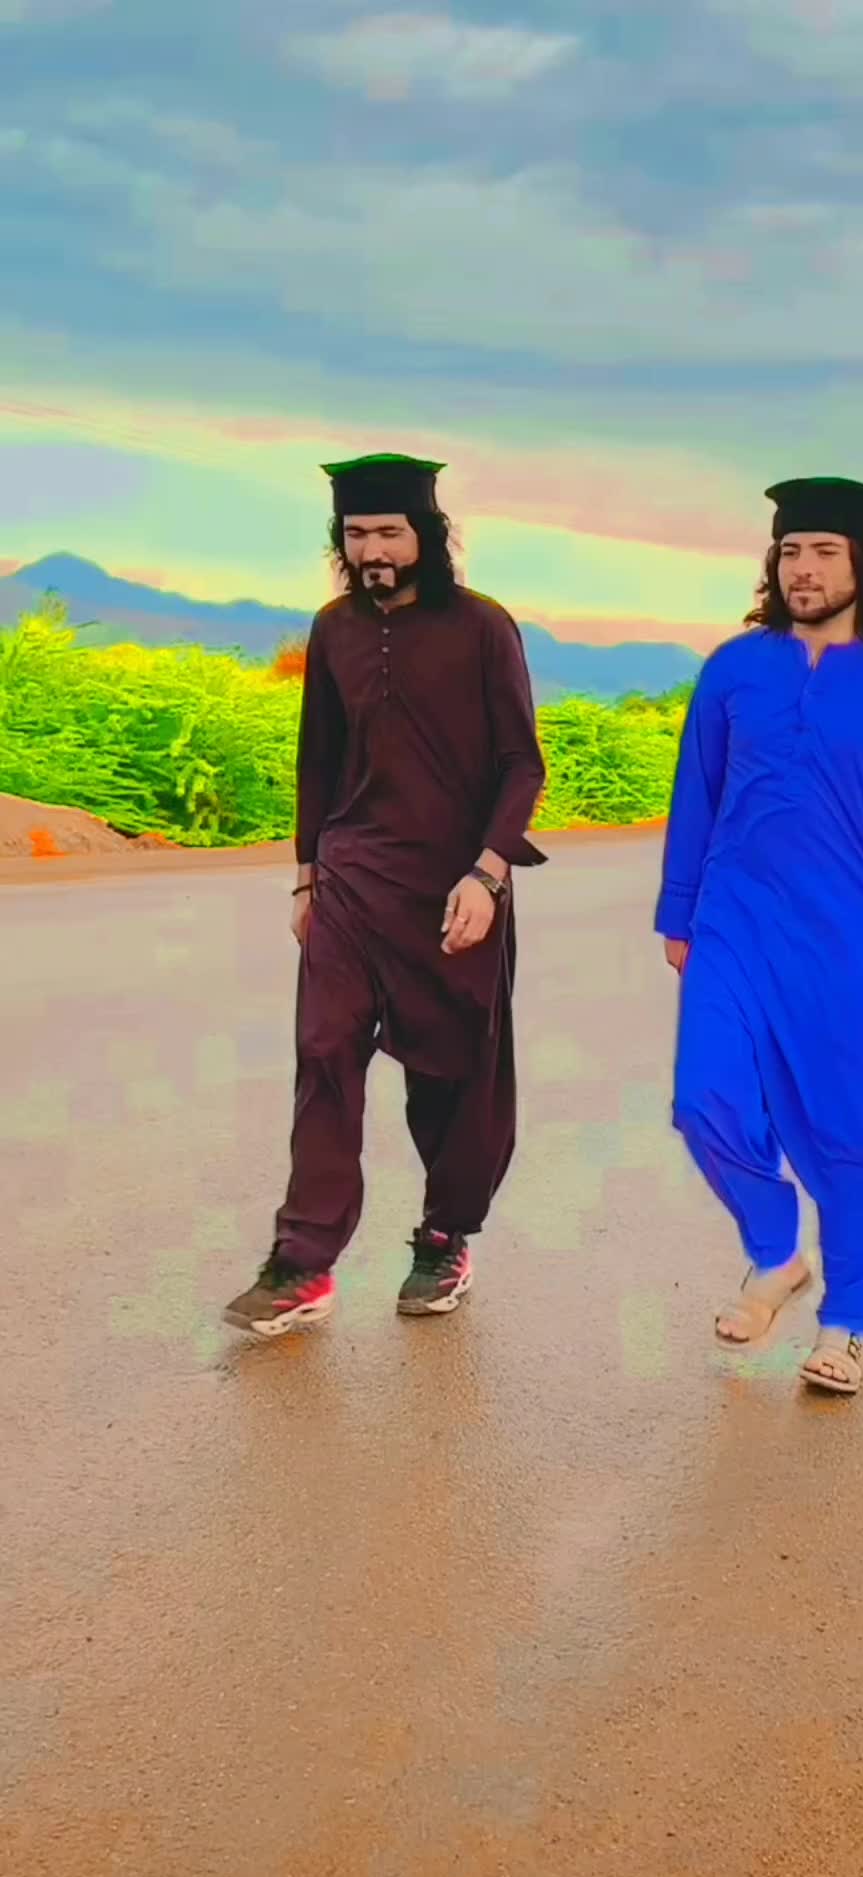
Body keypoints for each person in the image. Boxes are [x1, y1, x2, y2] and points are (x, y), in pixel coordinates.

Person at [654, 476, 863, 1395]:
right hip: (734, 925)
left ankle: (845, 1324)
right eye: (790, 552)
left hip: (857, 945)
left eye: (824, 552)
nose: (802, 569)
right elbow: (696, 793)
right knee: (704, 1102)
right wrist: (679, 912)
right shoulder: (734, 669)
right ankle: (776, 1254)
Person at [224, 452, 547, 1336]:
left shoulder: (483, 627)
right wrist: (306, 876)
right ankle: (303, 1261)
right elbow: (318, 761)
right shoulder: (333, 630)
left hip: (454, 887)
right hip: (352, 879)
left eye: (389, 532)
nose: (372, 549)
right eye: (356, 533)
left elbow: (522, 764)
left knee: (451, 1074)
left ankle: (445, 1236)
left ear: (426, 536)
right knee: (324, 1051)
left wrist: (489, 872)